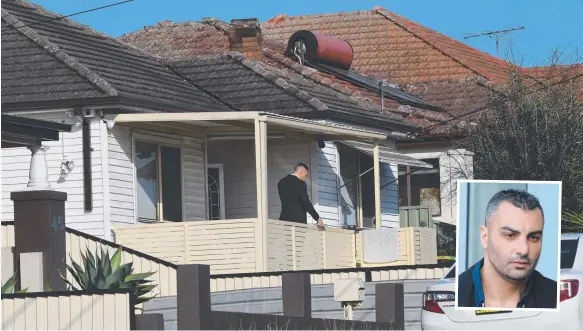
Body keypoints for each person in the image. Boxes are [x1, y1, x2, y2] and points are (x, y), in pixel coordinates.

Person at [457, 189, 557, 309]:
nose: (524, 250)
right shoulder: (453, 297)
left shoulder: (556, 299)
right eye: (510, 235)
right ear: (485, 237)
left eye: (533, 237)